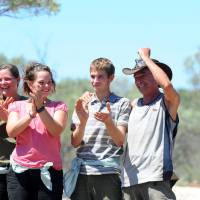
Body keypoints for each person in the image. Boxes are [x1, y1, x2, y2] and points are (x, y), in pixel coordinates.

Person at [67, 57, 131, 200]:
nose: (95, 81)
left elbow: (120, 140)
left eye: (100, 76)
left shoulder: (123, 103)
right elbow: (75, 143)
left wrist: (108, 122)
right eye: (92, 76)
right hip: (81, 174)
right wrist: (82, 122)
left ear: (111, 78)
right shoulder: (82, 103)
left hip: (108, 175)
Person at [121, 48, 180, 200]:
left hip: (156, 179)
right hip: (129, 181)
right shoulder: (132, 106)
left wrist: (146, 58)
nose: (139, 81)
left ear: (155, 76)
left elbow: (167, 86)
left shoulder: (167, 103)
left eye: (144, 75)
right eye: (136, 77)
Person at [6, 62, 68, 200]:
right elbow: (11, 132)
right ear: (30, 84)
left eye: (49, 82)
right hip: (19, 172)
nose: (46, 86)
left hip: (49, 171)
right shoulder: (16, 105)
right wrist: (30, 115)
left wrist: (41, 109)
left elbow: (56, 130)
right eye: (41, 82)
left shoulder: (58, 106)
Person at [0, 63, 27, 200]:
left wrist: (7, 119)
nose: (3, 83)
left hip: (21, 171)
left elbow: (33, 139)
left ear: (18, 80)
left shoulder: (29, 104)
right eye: (0, 80)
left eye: (7, 79)